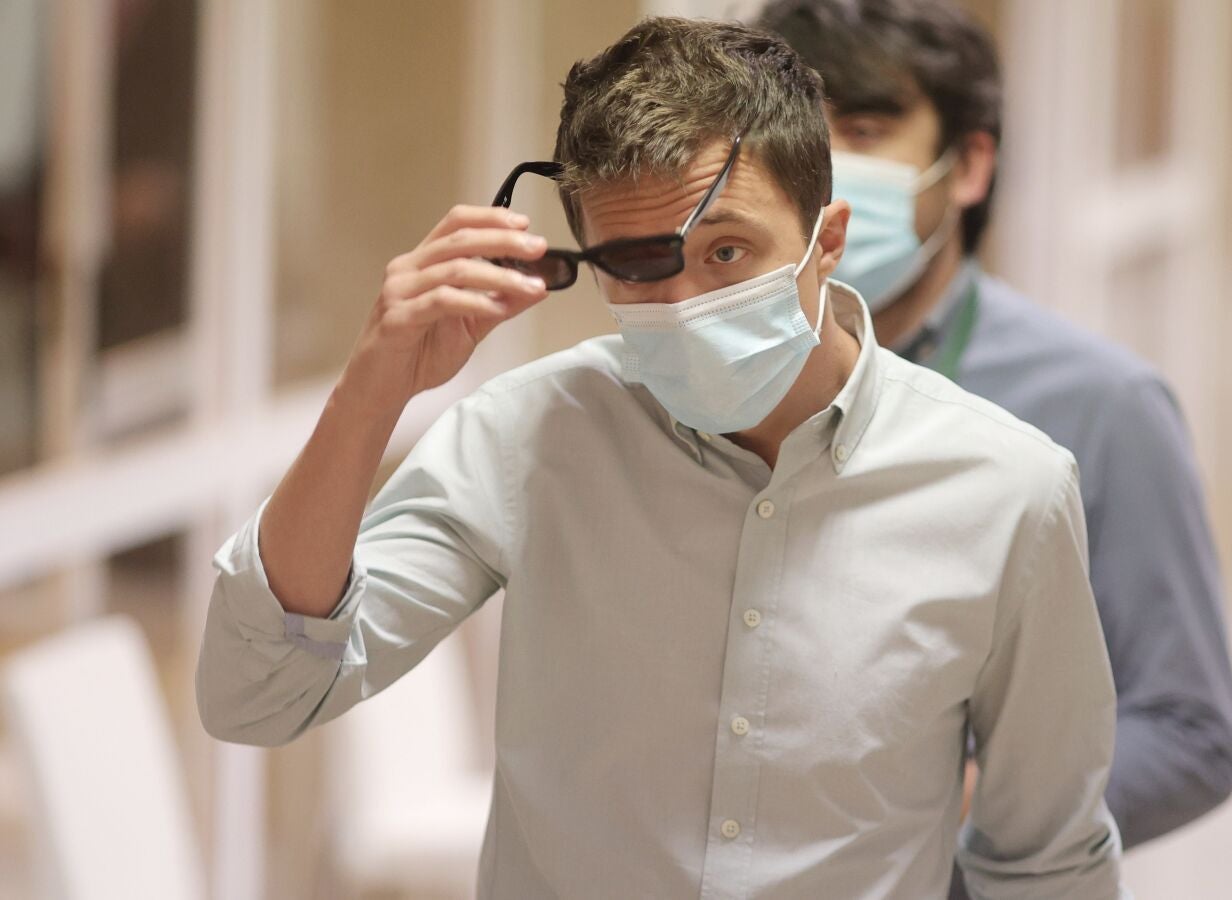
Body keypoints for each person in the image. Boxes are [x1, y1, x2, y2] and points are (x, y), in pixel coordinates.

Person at [195, 16, 1125, 899]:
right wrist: (371, 393)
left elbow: (1046, 862)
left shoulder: (1008, 492)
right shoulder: (532, 437)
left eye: (727, 252)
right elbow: (260, 695)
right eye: (639, 264)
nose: (685, 305)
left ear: (828, 241)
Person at [757, 0, 1232, 858]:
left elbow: (1190, 732)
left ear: (970, 165)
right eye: (795, 137)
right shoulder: (720, 383)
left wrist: (970, 804)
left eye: (865, 132)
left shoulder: (1102, 405)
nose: (823, 175)